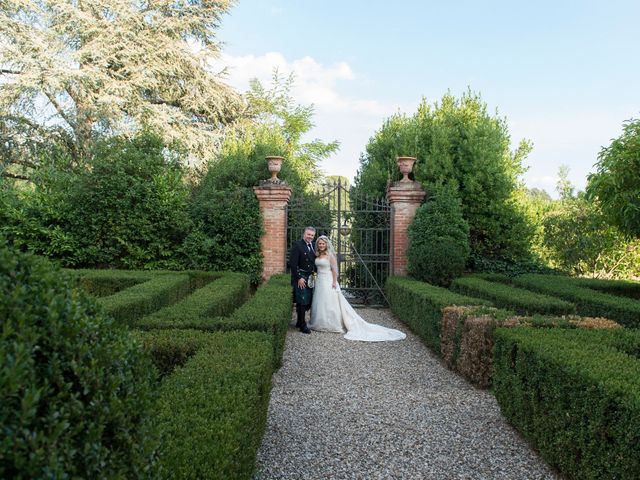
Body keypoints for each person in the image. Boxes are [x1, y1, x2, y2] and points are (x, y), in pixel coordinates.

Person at [309, 235, 406, 342]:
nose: (321, 245)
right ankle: (319, 323)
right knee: (321, 301)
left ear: (326, 244)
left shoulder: (330, 255)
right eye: (320, 243)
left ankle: (333, 324)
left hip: (328, 280)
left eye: (323, 243)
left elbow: (334, 270)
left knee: (330, 302)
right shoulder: (317, 254)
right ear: (317, 244)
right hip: (320, 281)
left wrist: (333, 282)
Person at [289, 226, 317, 334]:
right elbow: (292, 263)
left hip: (310, 277)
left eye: (312, 235)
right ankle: (302, 325)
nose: (310, 237)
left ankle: (299, 321)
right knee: (301, 300)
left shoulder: (314, 246)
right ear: (304, 234)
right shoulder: (297, 245)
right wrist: (299, 277)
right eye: (308, 234)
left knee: (307, 301)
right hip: (300, 276)